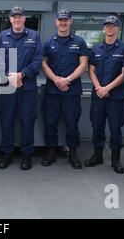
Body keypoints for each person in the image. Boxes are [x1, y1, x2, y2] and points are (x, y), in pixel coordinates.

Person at [0, 6, 42, 170]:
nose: (17, 19)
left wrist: (21, 75)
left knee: (27, 121)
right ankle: (6, 153)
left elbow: (37, 61)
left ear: (24, 18)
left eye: (19, 16)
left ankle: (26, 155)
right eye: (14, 17)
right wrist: (11, 76)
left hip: (27, 87)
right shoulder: (3, 36)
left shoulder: (34, 36)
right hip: (8, 86)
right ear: (10, 19)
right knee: (6, 120)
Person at [41, 9, 88, 169]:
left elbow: (83, 65)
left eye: (65, 20)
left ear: (70, 22)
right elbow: (43, 63)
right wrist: (56, 80)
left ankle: (73, 154)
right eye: (60, 20)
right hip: (52, 90)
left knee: (72, 123)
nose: (62, 23)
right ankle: (51, 152)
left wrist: (67, 80)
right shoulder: (49, 42)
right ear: (56, 22)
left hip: (72, 90)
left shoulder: (79, 42)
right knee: (50, 123)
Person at [84, 15, 124, 173]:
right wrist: (99, 88)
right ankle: (97, 156)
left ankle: (115, 160)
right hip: (98, 95)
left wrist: (107, 88)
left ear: (118, 28)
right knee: (97, 126)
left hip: (115, 97)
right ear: (103, 28)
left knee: (115, 128)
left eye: (113, 25)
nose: (110, 28)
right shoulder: (96, 48)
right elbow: (91, 71)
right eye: (107, 25)